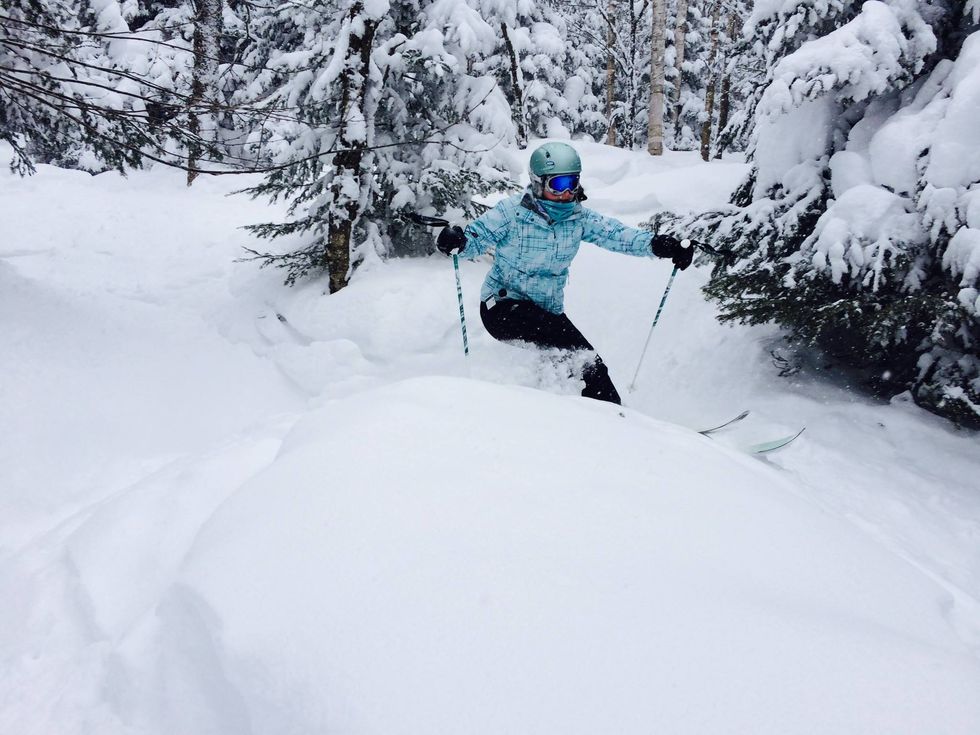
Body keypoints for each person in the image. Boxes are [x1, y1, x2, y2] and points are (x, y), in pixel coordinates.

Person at [436, 141, 693, 406]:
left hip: (547, 312)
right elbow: (476, 238)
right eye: (558, 184)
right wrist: (458, 241)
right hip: (501, 308)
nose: (567, 192)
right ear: (538, 182)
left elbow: (616, 234)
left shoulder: (577, 218)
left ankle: (579, 417)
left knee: (585, 366)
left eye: (573, 182)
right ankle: (614, 421)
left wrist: (658, 245)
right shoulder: (511, 213)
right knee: (585, 360)